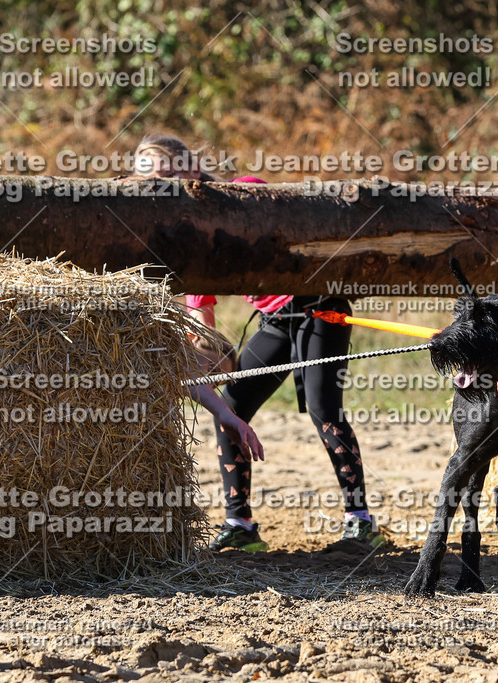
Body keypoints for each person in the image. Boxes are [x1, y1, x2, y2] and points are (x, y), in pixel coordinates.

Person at [133, 134, 384, 553]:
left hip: (316, 304)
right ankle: (240, 524)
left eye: (164, 178)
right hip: (275, 321)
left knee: (324, 409)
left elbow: (291, 231)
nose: (156, 191)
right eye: (146, 184)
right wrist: (204, 361)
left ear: (192, 172)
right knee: (230, 408)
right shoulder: (186, 242)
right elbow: (203, 320)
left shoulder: (245, 190)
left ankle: (360, 521)